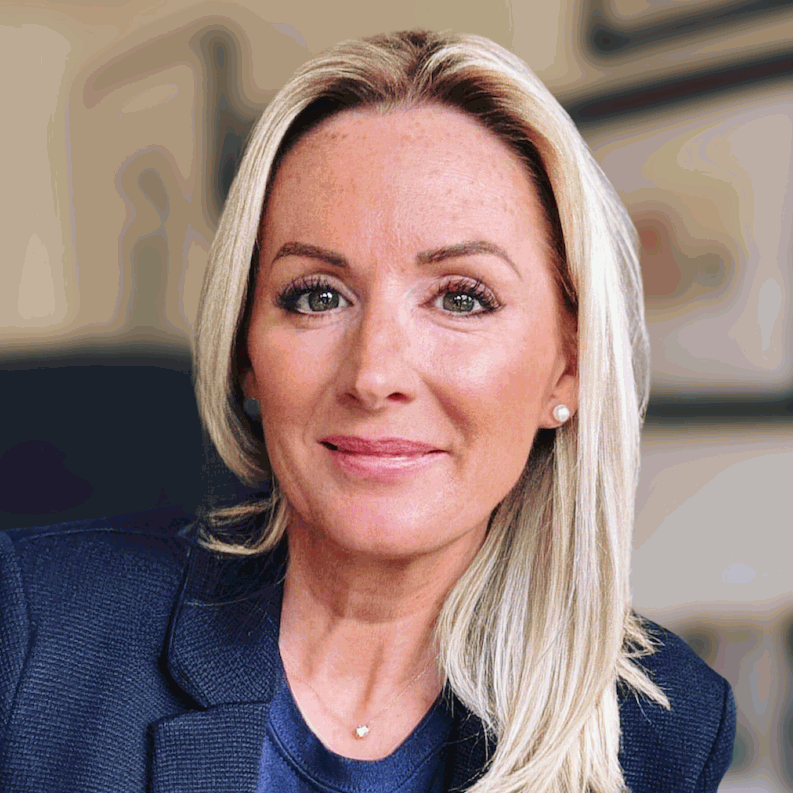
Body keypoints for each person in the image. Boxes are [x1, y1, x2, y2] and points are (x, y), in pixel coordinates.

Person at [0, 29, 735, 793]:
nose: (374, 374)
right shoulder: (33, 634)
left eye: (461, 297)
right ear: (246, 350)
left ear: (569, 365)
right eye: (317, 295)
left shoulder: (664, 729)